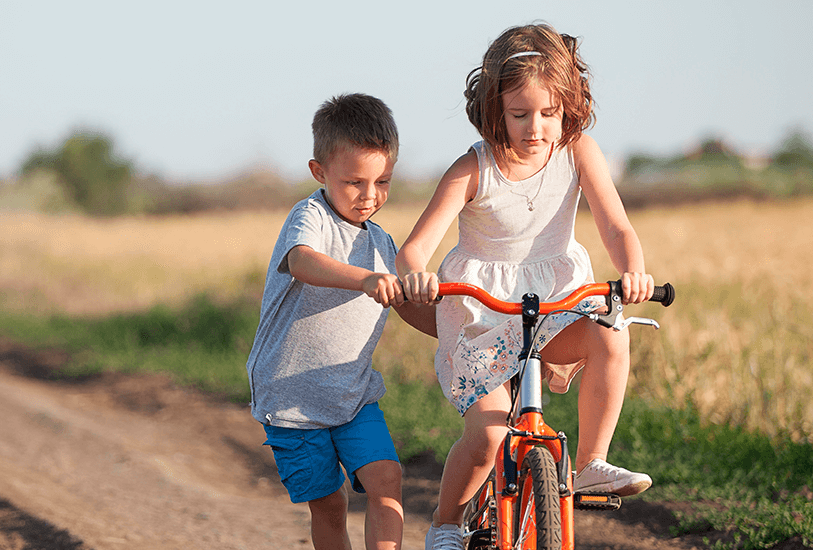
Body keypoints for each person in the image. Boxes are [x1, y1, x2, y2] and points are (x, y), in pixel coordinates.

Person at [394, 24, 657, 549]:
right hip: (482, 315)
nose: (535, 128)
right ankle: (446, 524)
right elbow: (413, 248)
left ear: (569, 106)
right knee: (489, 435)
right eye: (519, 115)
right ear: (496, 111)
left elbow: (616, 226)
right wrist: (416, 276)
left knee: (611, 333)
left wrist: (633, 269)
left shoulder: (579, 152)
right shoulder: (474, 168)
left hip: (553, 302)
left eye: (549, 113)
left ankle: (590, 464)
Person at [246, 92, 437, 550]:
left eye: (383, 181)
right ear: (320, 172)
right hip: (292, 398)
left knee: (386, 479)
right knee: (329, 506)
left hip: (352, 394)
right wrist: (366, 279)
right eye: (354, 182)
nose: (370, 196)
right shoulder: (309, 216)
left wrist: (460, 334)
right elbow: (302, 262)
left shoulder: (382, 242)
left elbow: (407, 307)